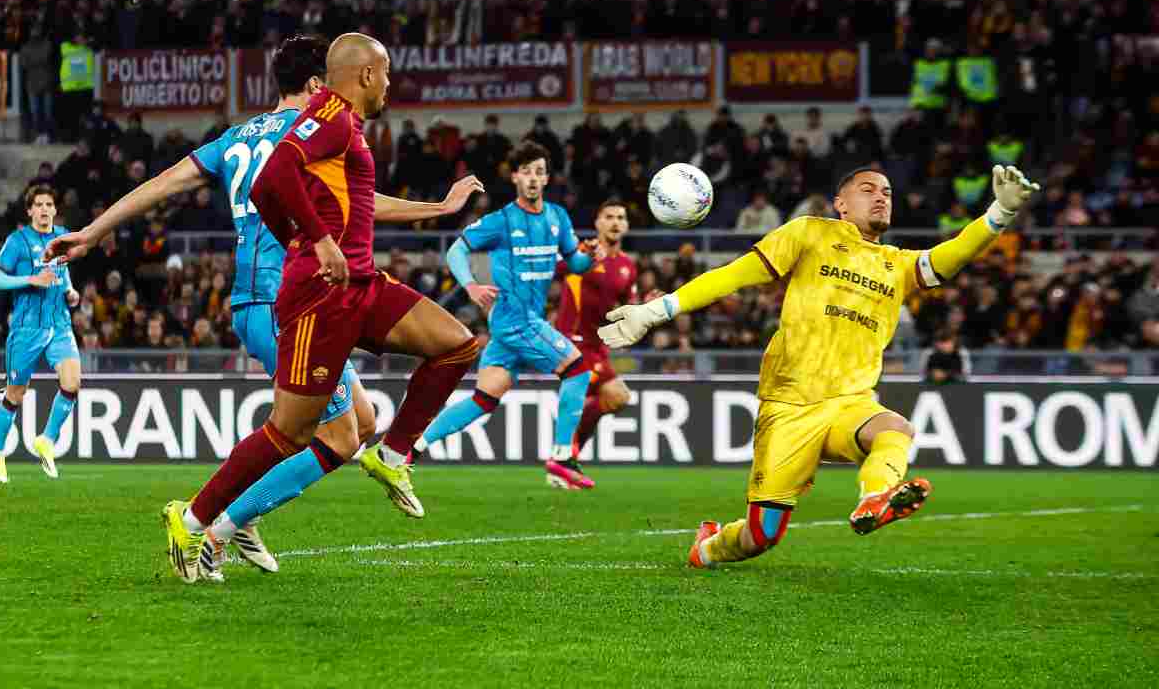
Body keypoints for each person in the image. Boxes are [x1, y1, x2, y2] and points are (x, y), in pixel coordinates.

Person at [48, 35, 482, 582]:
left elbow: (163, 185)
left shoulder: (234, 139)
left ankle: (239, 513)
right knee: (325, 434)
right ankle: (220, 519)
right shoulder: (316, 127)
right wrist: (417, 213)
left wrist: (92, 231)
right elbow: (332, 198)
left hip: (289, 293)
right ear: (319, 83)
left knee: (361, 421)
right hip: (292, 299)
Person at [599, 164, 1039, 568]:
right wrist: (657, 311)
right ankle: (707, 547)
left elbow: (952, 255)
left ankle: (876, 498)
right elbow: (734, 274)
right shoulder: (810, 233)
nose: (881, 197)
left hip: (850, 402)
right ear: (841, 203)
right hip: (789, 405)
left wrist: (999, 213)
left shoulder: (897, 264)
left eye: (887, 191)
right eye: (868, 190)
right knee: (761, 536)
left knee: (895, 430)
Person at [415, 141, 598, 489]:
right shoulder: (501, 221)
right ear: (515, 177)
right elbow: (456, 250)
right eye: (526, 171)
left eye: (539, 172)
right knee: (577, 370)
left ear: (547, 179)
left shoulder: (558, 217)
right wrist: (470, 286)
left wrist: (591, 256)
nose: (533, 178)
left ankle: (411, 448)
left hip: (514, 325)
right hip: (518, 320)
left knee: (484, 398)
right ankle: (562, 456)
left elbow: (575, 263)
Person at [0, 184, 82, 483]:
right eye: (38, 204)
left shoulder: (62, 236)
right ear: (29, 210)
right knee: (16, 394)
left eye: (48, 204)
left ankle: (47, 439)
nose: (43, 210)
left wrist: (69, 290)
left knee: (72, 382)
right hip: (27, 329)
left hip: (60, 324)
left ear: (55, 209)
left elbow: (62, 270)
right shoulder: (17, 241)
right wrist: (31, 279)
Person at [551, 199, 639, 472]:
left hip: (598, 346)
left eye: (621, 218)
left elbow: (629, 308)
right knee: (617, 395)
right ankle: (565, 453)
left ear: (626, 225)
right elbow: (547, 271)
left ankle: (565, 456)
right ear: (598, 223)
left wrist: (645, 307)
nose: (615, 222)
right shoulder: (581, 252)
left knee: (608, 399)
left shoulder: (627, 266)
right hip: (571, 342)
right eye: (609, 216)